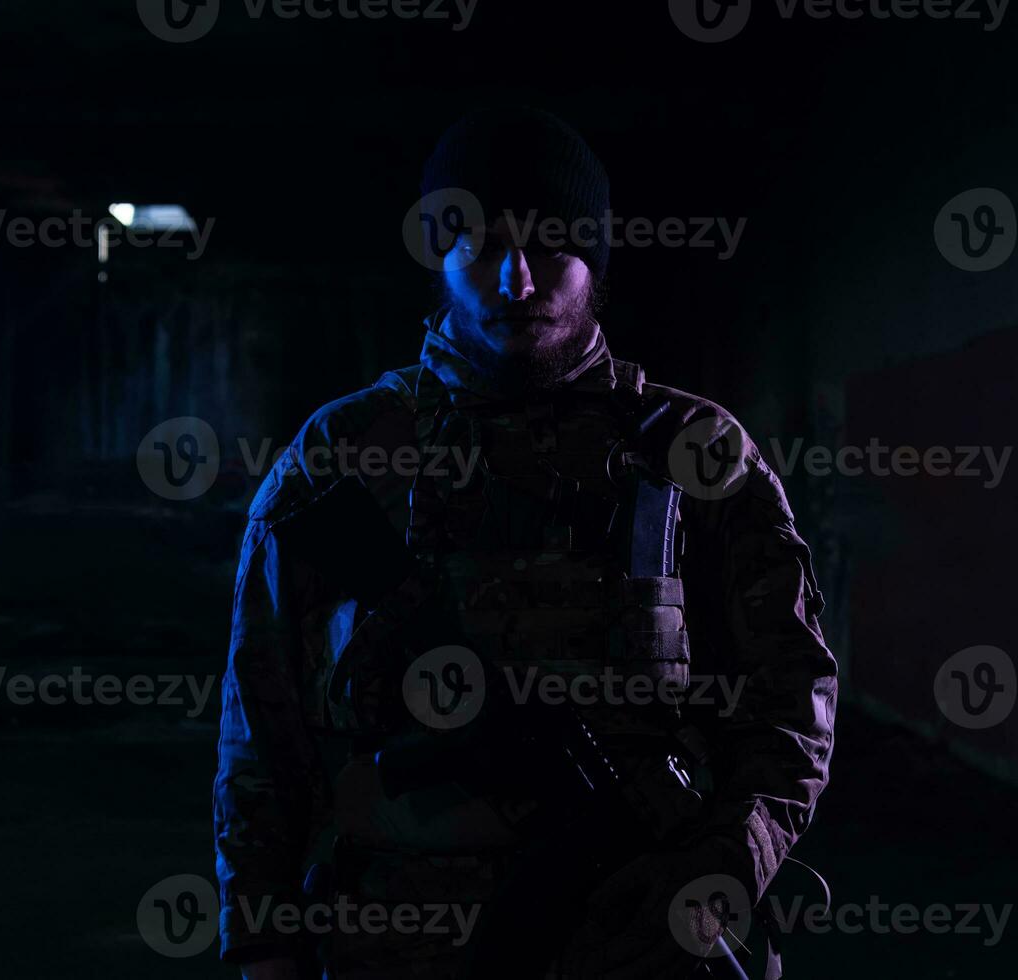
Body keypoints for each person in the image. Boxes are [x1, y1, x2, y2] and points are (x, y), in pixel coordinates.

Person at [215, 106, 837, 979]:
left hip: (638, 936)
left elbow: (792, 701)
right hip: (392, 944)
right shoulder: (340, 459)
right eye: (481, 244)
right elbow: (260, 730)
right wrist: (265, 944)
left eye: (550, 245)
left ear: (596, 260)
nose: (516, 278)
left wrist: (725, 866)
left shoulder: (694, 454)